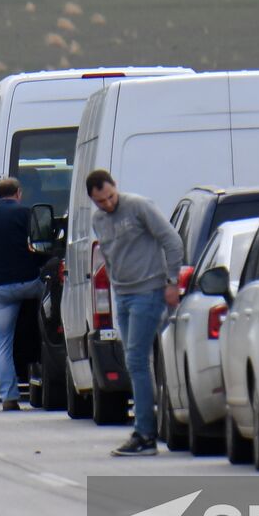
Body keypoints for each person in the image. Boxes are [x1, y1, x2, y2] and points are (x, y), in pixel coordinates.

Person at [85, 170, 183, 456]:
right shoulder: (98, 220)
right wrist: (116, 287)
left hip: (148, 291)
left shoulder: (138, 206)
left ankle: (145, 434)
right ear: (93, 200)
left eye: (110, 197)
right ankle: (146, 428)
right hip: (124, 295)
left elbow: (171, 240)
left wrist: (172, 281)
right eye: (101, 201)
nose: (108, 204)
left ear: (116, 187)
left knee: (137, 359)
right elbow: (110, 256)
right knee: (133, 362)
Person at [0, 177, 45, 411]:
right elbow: (41, 248)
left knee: (2, 343)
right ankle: (47, 367)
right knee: (52, 313)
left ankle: (9, 397)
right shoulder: (28, 214)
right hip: (31, 283)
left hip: (0, 288)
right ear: (19, 193)